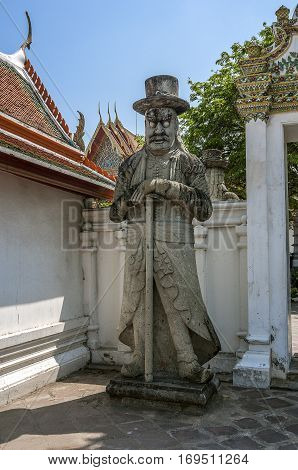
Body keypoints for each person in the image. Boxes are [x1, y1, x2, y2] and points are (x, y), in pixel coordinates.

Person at [110, 75, 220, 383]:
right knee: (141, 301)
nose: (158, 130)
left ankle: (186, 359)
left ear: (176, 124)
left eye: (165, 122)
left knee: (177, 302)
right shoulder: (129, 166)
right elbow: (114, 214)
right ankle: (141, 357)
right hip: (139, 242)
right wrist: (130, 203)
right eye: (151, 123)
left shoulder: (190, 163)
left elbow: (204, 209)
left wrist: (167, 187)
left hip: (175, 243)